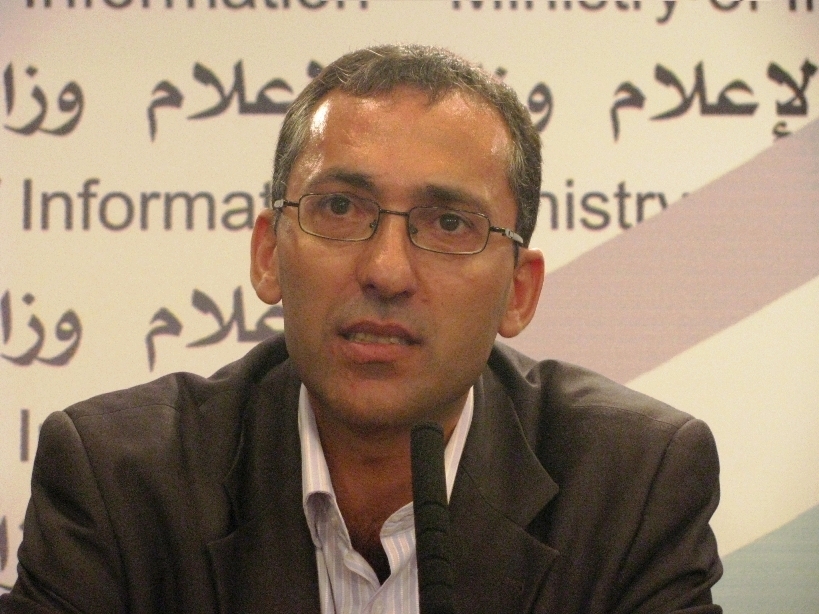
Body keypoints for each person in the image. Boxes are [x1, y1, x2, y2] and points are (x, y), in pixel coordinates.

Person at [0, 45, 722, 614]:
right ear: (267, 255)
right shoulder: (119, 481)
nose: (386, 271)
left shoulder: (632, 482)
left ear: (519, 291)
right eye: (340, 208)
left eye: (448, 223)